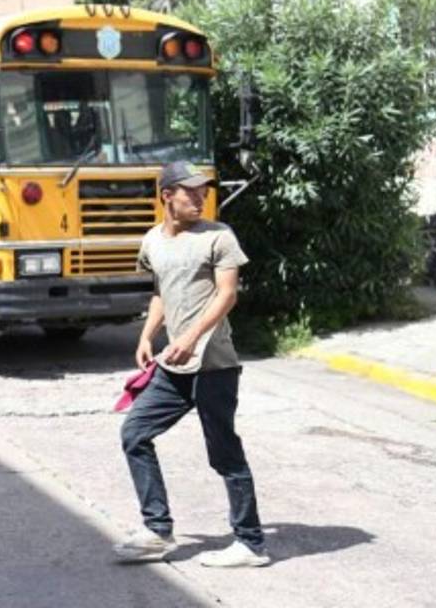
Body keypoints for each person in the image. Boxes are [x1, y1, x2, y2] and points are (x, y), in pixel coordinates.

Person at [114, 161, 269, 568]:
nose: (200, 198)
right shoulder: (153, 241)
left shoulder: (219, 237)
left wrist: (190, 337)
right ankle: (158, 529)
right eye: (191, 192)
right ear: (167, 195)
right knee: (134, 433)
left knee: (224, 453)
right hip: (174, 366)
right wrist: (147, 335)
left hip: (214, 365)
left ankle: (250, 543)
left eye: (203, 192)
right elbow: (161, 292)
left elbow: (227, 295)